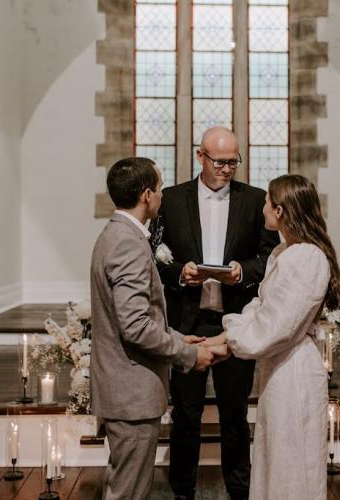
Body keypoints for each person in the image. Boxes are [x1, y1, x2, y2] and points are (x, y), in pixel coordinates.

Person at [151, 127, 279, 500]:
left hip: (237, 320)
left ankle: (240, 490)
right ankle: (183, 491)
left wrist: (243, 272)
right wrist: (179, 274)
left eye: (233, 162)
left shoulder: (255, 200)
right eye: (219, 161)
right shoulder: (171, 200)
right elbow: (156, 259)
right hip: (187, 320)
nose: (226, 169)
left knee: (235, 414)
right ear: (200, 156)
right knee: (186, 415)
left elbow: (269, 258)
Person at [203, 174, 340, 500]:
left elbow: (277, 328)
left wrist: (229, 343)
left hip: (294, 370)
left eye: (267, 201)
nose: (262, 207)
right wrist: (219, 339)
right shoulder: (284, 251)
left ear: (280, 210)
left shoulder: (306, 258)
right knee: (275, 457)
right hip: (279, 368)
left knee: (291, 463)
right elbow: (261, 309)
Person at [90, 157, 226, 500]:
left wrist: (179, 337)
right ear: (147, 194)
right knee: (128, 492)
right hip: (130, 393)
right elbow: (134, 325)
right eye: (161, 187)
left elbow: (137, 316)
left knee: (125, 485)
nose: (163, 195)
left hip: (123, 391)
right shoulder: (127, 243)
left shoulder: (114, 234)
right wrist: (188, 353)